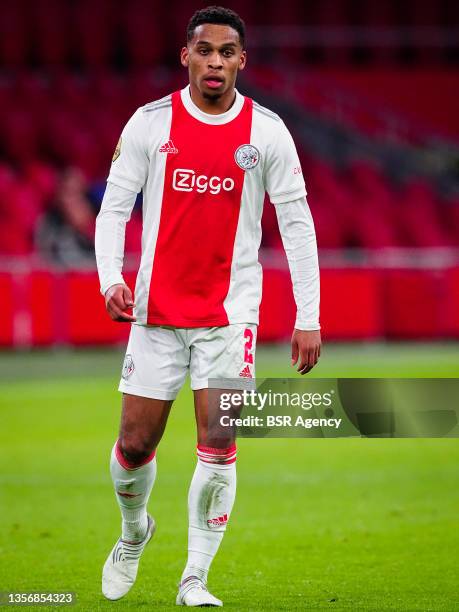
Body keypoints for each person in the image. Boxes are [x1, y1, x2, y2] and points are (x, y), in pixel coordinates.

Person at [95, 5, 321, 607]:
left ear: (242, 60)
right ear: (186, 56)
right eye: (205, 50)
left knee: (219, 443)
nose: (215, 62)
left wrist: (309, 316)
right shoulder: (150, 123)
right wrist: (109, 279)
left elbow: (296, 224)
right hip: (156, 316)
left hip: (229, 316)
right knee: (135, 446)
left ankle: (194, 577)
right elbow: (114, 208)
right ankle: (133, 531)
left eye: (227, 52)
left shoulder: (267, 132)